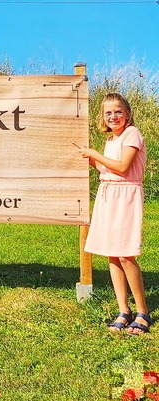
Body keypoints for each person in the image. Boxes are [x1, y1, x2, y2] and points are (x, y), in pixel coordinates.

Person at [78, 92, 151, 335]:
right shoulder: (110, 140)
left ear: (127, 113)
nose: (113, 116)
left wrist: (93, 154)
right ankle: (124, 310)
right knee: (112, 254)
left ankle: (142, 312)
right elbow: (104, 166)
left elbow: (122, 166)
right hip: (107, 194)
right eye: (108, 113)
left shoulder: (132, 134)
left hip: (126, 196)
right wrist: (86, 157)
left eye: (118, 111)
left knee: (126, 254)